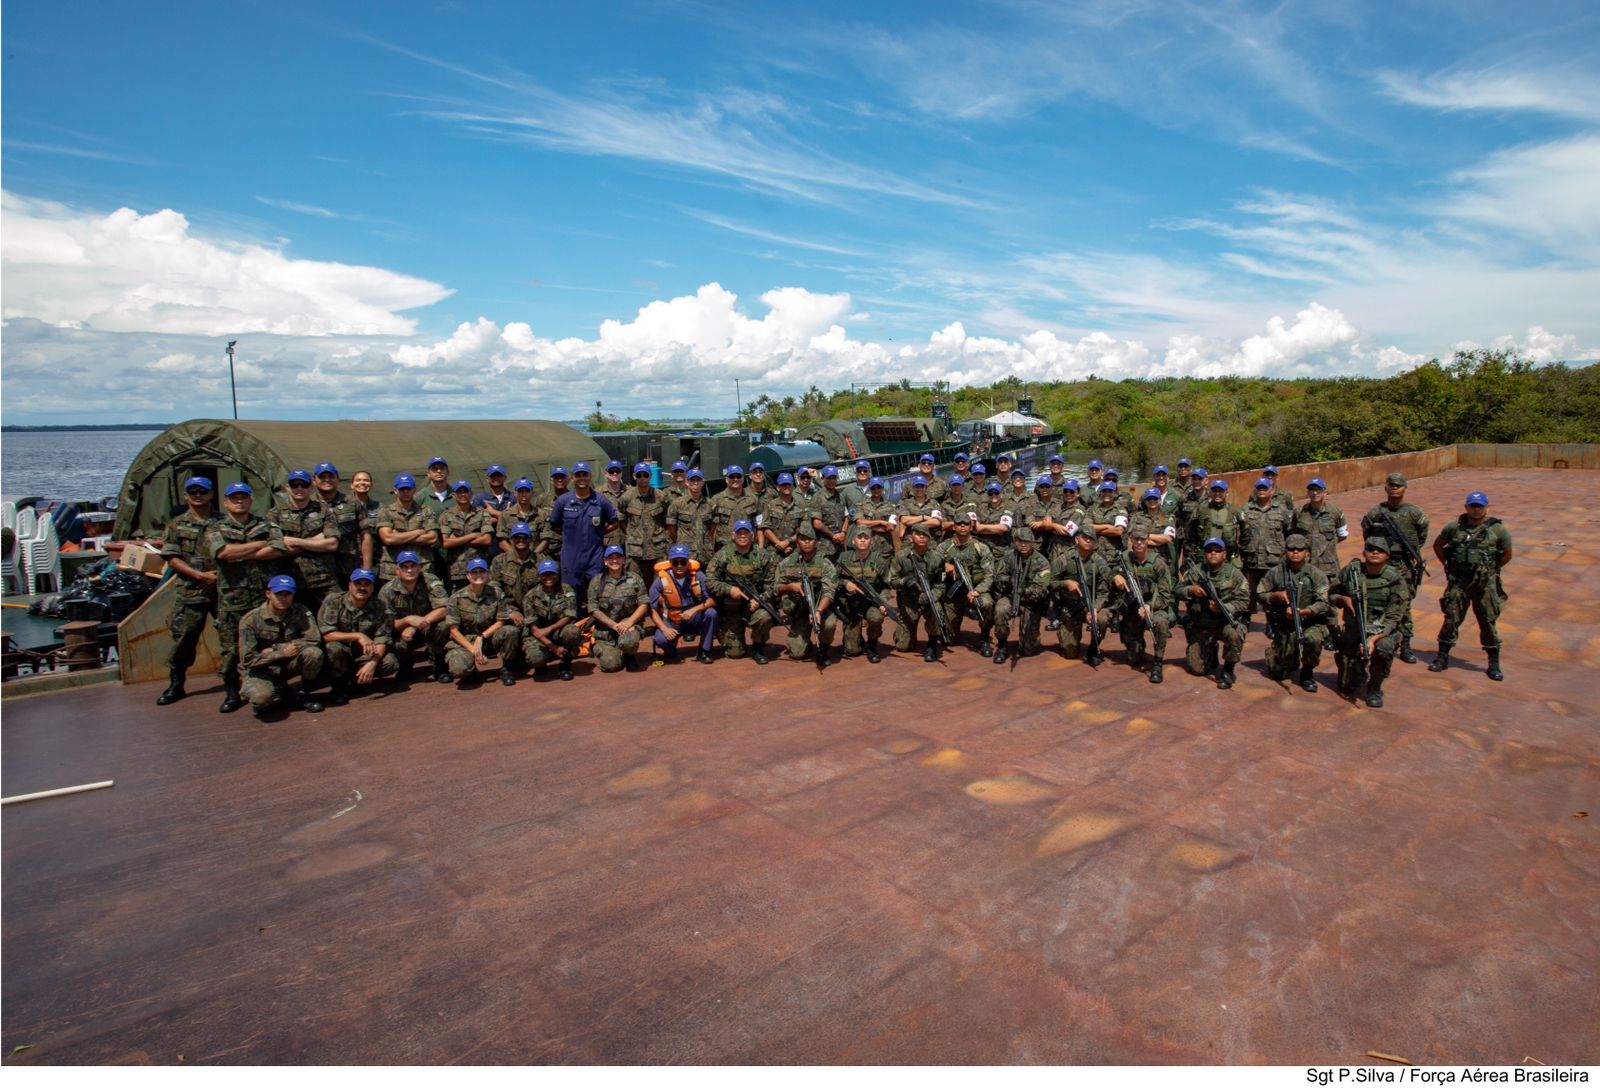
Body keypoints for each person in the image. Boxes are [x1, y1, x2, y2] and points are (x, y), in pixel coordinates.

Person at [206, 482, 288, 714]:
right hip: (233, 597)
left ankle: (275, 685)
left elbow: (277, 549)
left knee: (271, 643)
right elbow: (222, 553)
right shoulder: (216, 527)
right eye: (234, 497)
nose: (239, 501)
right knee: (231, 648)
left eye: (244, 497)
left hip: (263, 597)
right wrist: (260, 544)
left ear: (251, 500)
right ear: (225, 502)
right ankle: (232, 691)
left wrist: (240, 551)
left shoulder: (265, 524)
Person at [1430, 491, 1513, 681]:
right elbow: (1438, 545)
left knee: (1487, 621)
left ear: (1486, 508)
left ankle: (1493, 662)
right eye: (1472, 506)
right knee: (1451, 618)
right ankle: (1442, 656)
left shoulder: (1497, 529)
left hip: (1484, 585)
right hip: (1459, 582)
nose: (1476, 510)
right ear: (1466, 507)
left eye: (1479, 506)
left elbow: (1507, 553)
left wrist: (1491, 571)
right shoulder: (1454, 527)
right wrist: (1448, 565)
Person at [154, 475, 218, 706]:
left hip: (222, 589)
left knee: (232, 636)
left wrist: (216, 577)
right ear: (186, 495)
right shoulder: (176, 525)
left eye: (203, 491)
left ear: (211, 494)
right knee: (184, 637)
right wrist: (199, 576)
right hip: (191, 589)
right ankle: (176, 683)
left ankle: (234, 682)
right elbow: (171, 556)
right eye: (193, 492)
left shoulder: (223, 522)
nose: (198, 496)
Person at [1361, 472, 1430, 664]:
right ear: (1385, 488)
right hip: (1382, 565)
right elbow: (1367, 533)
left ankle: (1405, 646)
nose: (1394, 488)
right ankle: (1374, 638)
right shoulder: (1376, 512)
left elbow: (1422, 535)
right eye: (1391, 485)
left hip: (1404, 565)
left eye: (1398, 485)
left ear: (1405, 488)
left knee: (1404, 605)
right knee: (1377, 601)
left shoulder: (1415, 513)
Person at [1331, 536, 1407, 708]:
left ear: (1387, 556)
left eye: (1380, 550)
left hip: (1381, 631)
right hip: (1354, 628)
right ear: (1364, 552)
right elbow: (1331, 594)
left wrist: (1373, 640)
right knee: (1345, 687)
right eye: (1370, 548)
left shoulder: (1395, 580)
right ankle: (1356, 670)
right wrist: (1343, 599)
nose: (1375, 552)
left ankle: (1374, 688)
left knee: (1384, 649)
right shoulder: (1351, 572)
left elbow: (1394, 618)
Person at [238, 574, 325, 717]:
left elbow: (313, 639)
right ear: (268, 594)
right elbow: (248, 659)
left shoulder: (300, 611)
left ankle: (302, 693)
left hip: (287, 663)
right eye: (279, 594)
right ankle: (262, 697)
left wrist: (276, 648)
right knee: (262, 699)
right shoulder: (250, 620)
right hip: (261, 669)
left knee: (314, 653)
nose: (284, 598)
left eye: (288, 594)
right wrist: (280, 652)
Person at [1260, 534, 1330, 693]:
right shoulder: (1276, 572)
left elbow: (1323, 603)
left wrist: (1304, 612)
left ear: (1308, 553)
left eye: (1300, 549)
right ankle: (1283, 654)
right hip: (1284, 623)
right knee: (1277, 673)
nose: (1295, 552)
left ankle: (1307, 673)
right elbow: (1259, 592)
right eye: (1291, 549)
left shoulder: (1317, 575)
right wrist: (1274, 596)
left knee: (1312, 639)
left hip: (1309, 623)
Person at [318, 568, 398, 705]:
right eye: (358, 584)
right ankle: (339, 688)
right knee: (333, 648)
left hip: (363, 654)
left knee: (390, 662)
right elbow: (327, 635)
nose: (362, 587)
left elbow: (382, 639)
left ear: (373, 588)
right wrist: (358, 636)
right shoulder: (333, 601)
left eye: (367, 584)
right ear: (350, 586)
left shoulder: (380, 607)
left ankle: (358, 681)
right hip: (340, 654)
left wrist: (372, 664)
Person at [704, 519, 778, 663]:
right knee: (735, 654)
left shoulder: (762, 555)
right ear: (733, 535)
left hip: (753, 606)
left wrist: (760, 599)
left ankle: (758, 648)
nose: (743, 536)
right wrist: (729, 589)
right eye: (739, 533)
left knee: (765, 617)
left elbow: (772, 584)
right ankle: (723, 630)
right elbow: (709, 581)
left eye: (746, 533)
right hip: (730, 609)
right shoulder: (722, 555)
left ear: (753, 536)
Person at [550, 462, 619, 612]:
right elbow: (554, 524)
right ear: (572, 478)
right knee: (571, 599)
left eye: (585, 475)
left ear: (590, 477)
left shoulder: (600, 501)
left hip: (594, 558)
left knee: (597, 596)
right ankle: (574, 630)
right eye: (578, 475)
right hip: (570, 559)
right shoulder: (563, 501)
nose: (582, 478)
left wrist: (600, 532)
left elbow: (615, 522)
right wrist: (568, 535)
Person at [1181, 538, 1249, 689]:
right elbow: (1177, 590)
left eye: (1217, 550)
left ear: (1224, 554)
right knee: (1196, 669)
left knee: (1236, 632)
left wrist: (1226, 608)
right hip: (1202, 624)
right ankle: (1210, 650)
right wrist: (1191, 591)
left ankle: (1228, 670)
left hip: (1223, 623)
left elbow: (1244, 601)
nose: (1213, 553)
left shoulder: (1234, 574)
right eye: (1209, 550)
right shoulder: (1195, 571)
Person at [270, 469, 341, 616]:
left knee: (336, 616)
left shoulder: (325, 511)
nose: (299, 489)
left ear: (311, 487)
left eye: (304, 484)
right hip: (290, 581)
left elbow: (332, 544)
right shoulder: (275, 514)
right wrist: (316, 540)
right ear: (287, 488)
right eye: (294, 485)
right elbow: (278, 549)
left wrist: (295, 541)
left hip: (324, 579)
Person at [444, 557, 519, 688]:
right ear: (467, 575)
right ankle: (471, 670)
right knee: (459, 669)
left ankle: (507, 668)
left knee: (510, 631)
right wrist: (473, 650)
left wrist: (482, 637)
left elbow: (501, 621)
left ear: (488, 574)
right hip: (466, 641)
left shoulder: (496, 593)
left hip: (489, 638)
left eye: (482, 571)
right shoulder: (456, 598)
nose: (478, 575)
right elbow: (453, 631)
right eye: (474, 572)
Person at [378, 549, 450, 682]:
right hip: (402, 633)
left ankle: (440, 668)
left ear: (419, 568)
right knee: (398, 644)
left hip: (427, 628)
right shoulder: (387, 591)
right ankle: (405, 667)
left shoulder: (430, 580)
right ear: (397, 570)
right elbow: (387, 625)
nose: (409, 570)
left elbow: (444, 608)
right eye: (404, 567)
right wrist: (407, 621)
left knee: (443, 626)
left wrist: (416, 625)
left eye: (413, 566)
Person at [1112, 533, 1172, 683]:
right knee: (1134, 659)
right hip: (1132, 608)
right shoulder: (1125, 558)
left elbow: (1165, 595)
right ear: (1131, 541)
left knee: (1161, 622)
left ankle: (1158, 662)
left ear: (1148, 541)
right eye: (1135, 539)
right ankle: (1137, 643)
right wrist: (1115, 576)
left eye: (1142, 540)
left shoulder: (1158, 564)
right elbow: (1110, 570)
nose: (1138, 543)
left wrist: (1150, 605)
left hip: (1152, 607)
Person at [773, 526, 836, 666]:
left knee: (830, 623)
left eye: (810, 539)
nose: (806, 542)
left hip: (820, 608)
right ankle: (804, 640)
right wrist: (790, 587)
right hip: (800, 610)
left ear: (816, 542)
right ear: (797, 543)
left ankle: (823, 649)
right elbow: (774, 588)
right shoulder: (787, 563)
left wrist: (818, 611)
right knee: (797, 654)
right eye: (802, 539)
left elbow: (829, 591)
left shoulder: (825, 563)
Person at [990, 527, 1053, 665]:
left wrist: (1024, 591)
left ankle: (1028, 640)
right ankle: (1002, 645)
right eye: (1020, 541)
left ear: (1033, 543)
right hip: (1011, 597)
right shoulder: (1008, 557)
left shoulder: (1042, 562)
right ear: (1014, 542)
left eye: (1027, 542)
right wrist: (1009, 581)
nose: (1023, 545)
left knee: (1028, 650)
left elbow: (1042, 588)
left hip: (1031, 602)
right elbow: (998, 577)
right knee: (1001, 609)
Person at [1238, 477, 1294, 624]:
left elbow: (1289, 533)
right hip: (1251, 559)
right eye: (1259, 488)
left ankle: (1272, 622)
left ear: (1272, 491)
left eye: (1265, 488)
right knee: (1247, 591)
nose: (1261, 491)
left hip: (1273, 561)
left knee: (1271, 593)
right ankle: (1246, 618)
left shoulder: (1281, 511)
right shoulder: (1245, 510)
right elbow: (1238, 533)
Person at [651, 543, 718, 665]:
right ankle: (670, 649)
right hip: (673, 621)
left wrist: (694, 610)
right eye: (675, 562)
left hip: (694, 618)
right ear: (670, 563)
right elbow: (652, 610)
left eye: (683, 562)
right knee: (661, 639)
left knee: (711, 613)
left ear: (688, 562)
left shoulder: (698, 576)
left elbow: (712, 600)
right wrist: (664, 628)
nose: (679, 566)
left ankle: (704, 651)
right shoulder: (660, 581)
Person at [1053, 526, 1112, 664]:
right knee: (1069, 653)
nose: (1088, 541)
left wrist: (1096, 609)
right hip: (1071, 606)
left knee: (1102, 619)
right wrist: (1064, 583)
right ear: (1076, 539)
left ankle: (1094, 646)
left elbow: (1104, 591)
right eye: (1084, 538)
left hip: (1091, 603)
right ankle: (1065, 632)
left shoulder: (1099, 561)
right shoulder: (1064, 558)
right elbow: (1047, 582)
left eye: (1091, 539)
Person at [936, 516, 995, 656]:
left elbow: (989, 575)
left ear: (971, 527)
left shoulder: (981, 547)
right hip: (954, 592)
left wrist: (977, 591)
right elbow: (931, 564)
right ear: (954, 527)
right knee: (948, 640)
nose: (962, 526)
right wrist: (944, 566)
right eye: (959, 523)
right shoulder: (944, 546)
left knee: (986, 604)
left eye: (966, 524)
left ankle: (984, 638)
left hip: (975, 589)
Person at [890, 523, 947, 661]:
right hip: (909, 600)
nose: (921, 538)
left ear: (929, 538)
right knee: (902, 646)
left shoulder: (937, 558)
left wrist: (931, 597)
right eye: (917, 534)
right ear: (911, 537)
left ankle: (932, 645)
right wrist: (905, 582)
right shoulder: (901, 556)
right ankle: (909, 630)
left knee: (936, 611)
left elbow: (941, 584)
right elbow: (892, 580)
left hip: (929, 597)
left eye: (925, 535)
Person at [588, 544, 649, 672]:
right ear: (605, 561)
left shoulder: (635, 578)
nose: (614, 561)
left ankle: (629, 655)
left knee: (629, 642)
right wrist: (614, 626)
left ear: (624, 560)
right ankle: (611, 651)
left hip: (628, 624)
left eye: (618, 557)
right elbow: (593, 609)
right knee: (610, 666)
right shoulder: (596, 581)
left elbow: (644, 604)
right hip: (606, 629)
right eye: (611, 558)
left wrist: (629, 622)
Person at [835, 525, 891, 662]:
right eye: (859, 537)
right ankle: (855, 636)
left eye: (866, 538)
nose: (863, 540)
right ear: (853, 541)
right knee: (852, 651)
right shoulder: (843, 558)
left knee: (877, 617)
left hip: (870, 603)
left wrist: (883, 602)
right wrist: (845, 584)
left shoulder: (879, 560)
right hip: (850, 605)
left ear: (871, 542)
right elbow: (832, 579)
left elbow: (886, 586)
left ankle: (872, 646)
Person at [522, 559, 583, 681]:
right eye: (545, 574)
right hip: (538, 636)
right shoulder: (530, 596)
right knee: (536, 658)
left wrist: (550, 628)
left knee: (572, 631)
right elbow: (534, 629)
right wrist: (554, 648)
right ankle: (541, 665)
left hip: (558, 631)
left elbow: (569, 616)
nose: (548, 577)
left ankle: (566, 664)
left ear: (557, 575)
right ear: (539, 576)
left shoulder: (567, 590)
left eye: (552, 574)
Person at [313, 462, 373, 581]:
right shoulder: (308, 504)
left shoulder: (352, 503)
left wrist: (366, 569)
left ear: (338, 479)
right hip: (316, 570)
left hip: (347, 569)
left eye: (331, 477)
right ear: (314, 480)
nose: (327, 480)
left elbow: (365, 536)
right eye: (322, 477)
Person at [375, 474, 440, 583]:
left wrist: (398, 535)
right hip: (393, 568)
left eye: (408, 489)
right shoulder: (386, 511)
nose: (405, 492)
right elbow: (388, 539)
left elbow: (432, 538)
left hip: (422, 567)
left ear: (414, 490)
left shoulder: (426, 511)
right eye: (402, 489)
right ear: (395, 491)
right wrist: (418, 531)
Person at [616, 462, 670, 585]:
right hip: (636, 552)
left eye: (645, 475)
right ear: (634, 476)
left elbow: (668, 521)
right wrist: (633, 536)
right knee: (635, 586)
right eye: (639, 475)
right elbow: (622, 521)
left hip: (657, 551)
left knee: (660, 585)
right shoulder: (626, 498)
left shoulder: (661, 497)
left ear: (650, 476)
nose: (642, 478)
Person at [439, 480, 495, 589]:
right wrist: (473, 535)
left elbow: (487, 540)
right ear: (454, 496)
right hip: (456, 572)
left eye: (466, 491)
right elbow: (446, 542)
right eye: (459, 492)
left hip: (479, 569)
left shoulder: (482, 513)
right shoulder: (446, 516)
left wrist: (457, 539)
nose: (463, 494)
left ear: (471, 494)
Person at [1295, 478, 1348, 585]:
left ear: (1325, 493)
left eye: (1318, 490)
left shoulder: (1335, 512)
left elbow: (1342, 535)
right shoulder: (1299, 512)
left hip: (1328, 566)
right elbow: (1293, 535)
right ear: (1308, 493)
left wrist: (1326, 545)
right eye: (1312, 490)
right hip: (1305, 564)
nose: (1315, 493)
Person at [489, 521, 541, 611]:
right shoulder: (499, 561)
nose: (521, 540)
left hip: (535, 611)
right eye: (516, 537)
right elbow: (494, 588)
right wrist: (508, 611)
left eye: (524, 537)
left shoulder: (540, 561)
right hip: (510, 612)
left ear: (531, 539)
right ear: (511, 539)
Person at [706, 465, 760, 551]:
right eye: (732, 476)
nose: (735, 479)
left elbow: (759, 526)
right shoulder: (717, 500)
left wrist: (760, 547)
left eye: (738, 476)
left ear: (742, 479)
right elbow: (712, 529)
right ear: (726, 479)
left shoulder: (753, 499)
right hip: (724, 549)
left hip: (748, 549)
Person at [666, 468, 713, 563]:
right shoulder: (677, 504)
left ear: (703, 482)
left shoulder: (710, 504)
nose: (695, 483)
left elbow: (713, 529)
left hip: (705, 554)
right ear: (687, 482)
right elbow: (671, 530)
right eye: (692, 480)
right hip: (685, 554)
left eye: (698, 480)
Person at [760, 472, 808, 559]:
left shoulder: (801, 505)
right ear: (778, 488)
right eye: (783, 485)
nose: (786, 487)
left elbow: (804, 529)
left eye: (789, 484)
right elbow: (766, 529)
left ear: (793, 487)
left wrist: (787, 542)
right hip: (774, 552)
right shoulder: (770, 505)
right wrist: (779, 544)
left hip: (794, 550)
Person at [497, 480, 542, 556]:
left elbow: (546, 538)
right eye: (520, 491)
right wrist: (516, 556)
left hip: (534, 560)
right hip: (512, 560)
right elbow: (501, 540)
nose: (523, 494)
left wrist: (533, 555)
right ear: (515, 493)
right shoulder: (506, 515)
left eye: (527, 491)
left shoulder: (541, 514)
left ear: (532, 493)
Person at [474, 465, 515, 531]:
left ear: (505, 478)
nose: (496, 478)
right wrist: (505, 517)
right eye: (493, 476)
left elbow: (517, 521)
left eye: (499, 475)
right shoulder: (480, 499)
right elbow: (476, 522)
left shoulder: (513, 498)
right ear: (487, 479)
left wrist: (493, 512)